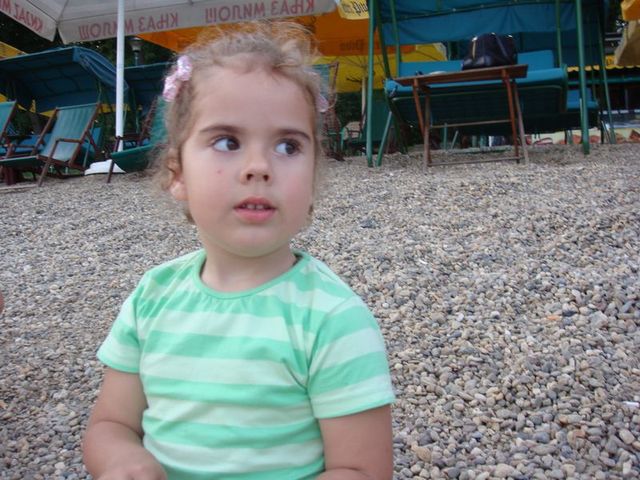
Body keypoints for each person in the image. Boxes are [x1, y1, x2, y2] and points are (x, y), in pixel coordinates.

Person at [83, 21, 395, 480]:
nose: (258, 167)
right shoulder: (153, 297)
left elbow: (362, 469)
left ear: (312, 180)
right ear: (177, 174)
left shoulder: (331, 318)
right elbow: (111, 424)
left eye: (287, 146)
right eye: (227, 141)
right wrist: (122, 461)